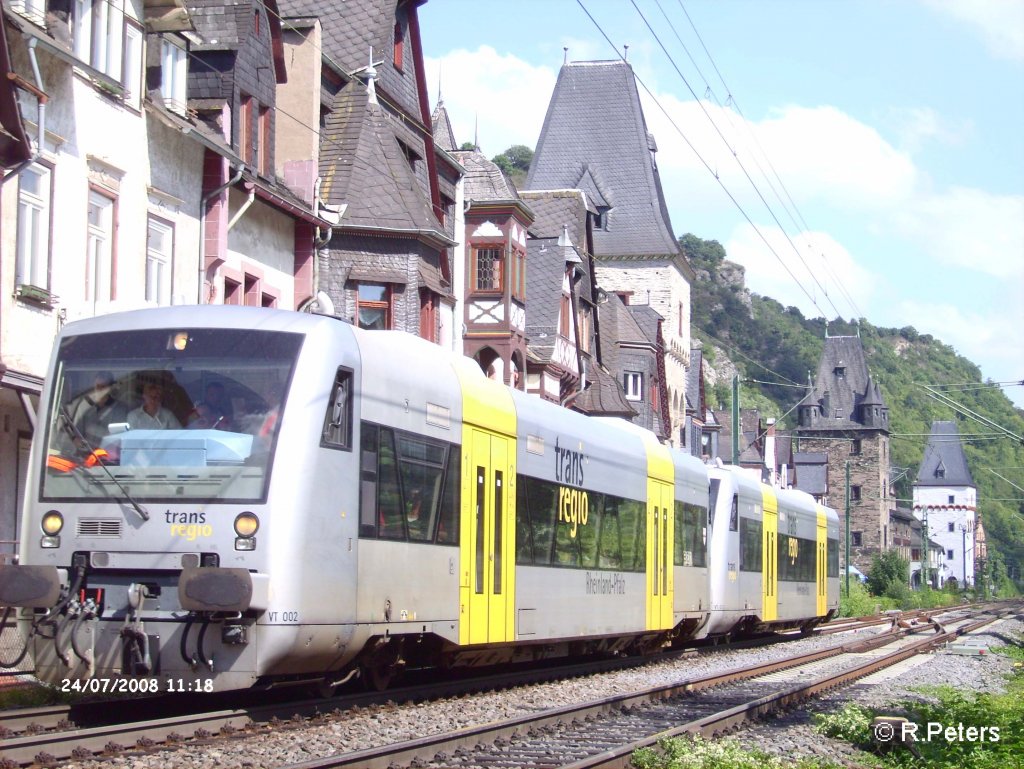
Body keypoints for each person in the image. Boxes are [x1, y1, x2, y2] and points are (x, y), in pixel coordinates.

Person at [72, 372, 128, 447]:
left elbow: (121, 438)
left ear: (110, 388)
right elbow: (77, 436)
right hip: (86, 454)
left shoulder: (120, 409)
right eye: (97, 386)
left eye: (103, 387)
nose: (100, 389)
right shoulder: (85, 406)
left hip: (109, 454)